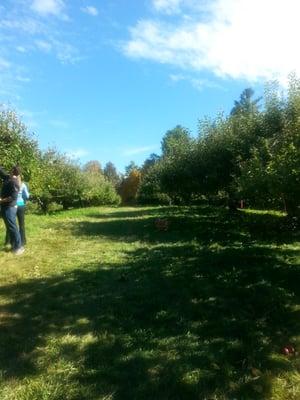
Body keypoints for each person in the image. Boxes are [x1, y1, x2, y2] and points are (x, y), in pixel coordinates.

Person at [0, 165, 24, 255]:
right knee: (10, 227)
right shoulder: (7, 178)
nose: (9, 170)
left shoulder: (14, 182)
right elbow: (1, 171)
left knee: (13, 227)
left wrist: (1, 200)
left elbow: (13, 197)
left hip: (9, 207)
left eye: (11, 169)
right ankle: (14, 245)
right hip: (5, 207)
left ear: (13, 171)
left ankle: (19, 247)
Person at [5, 166, 30, 247]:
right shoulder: (23, 184)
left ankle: (9, 241)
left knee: (11, 224)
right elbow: (27, 196)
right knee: (21, 224)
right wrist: (23, 199)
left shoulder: (10, 183)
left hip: (12, 205)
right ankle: (23, 241)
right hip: (20, 205)